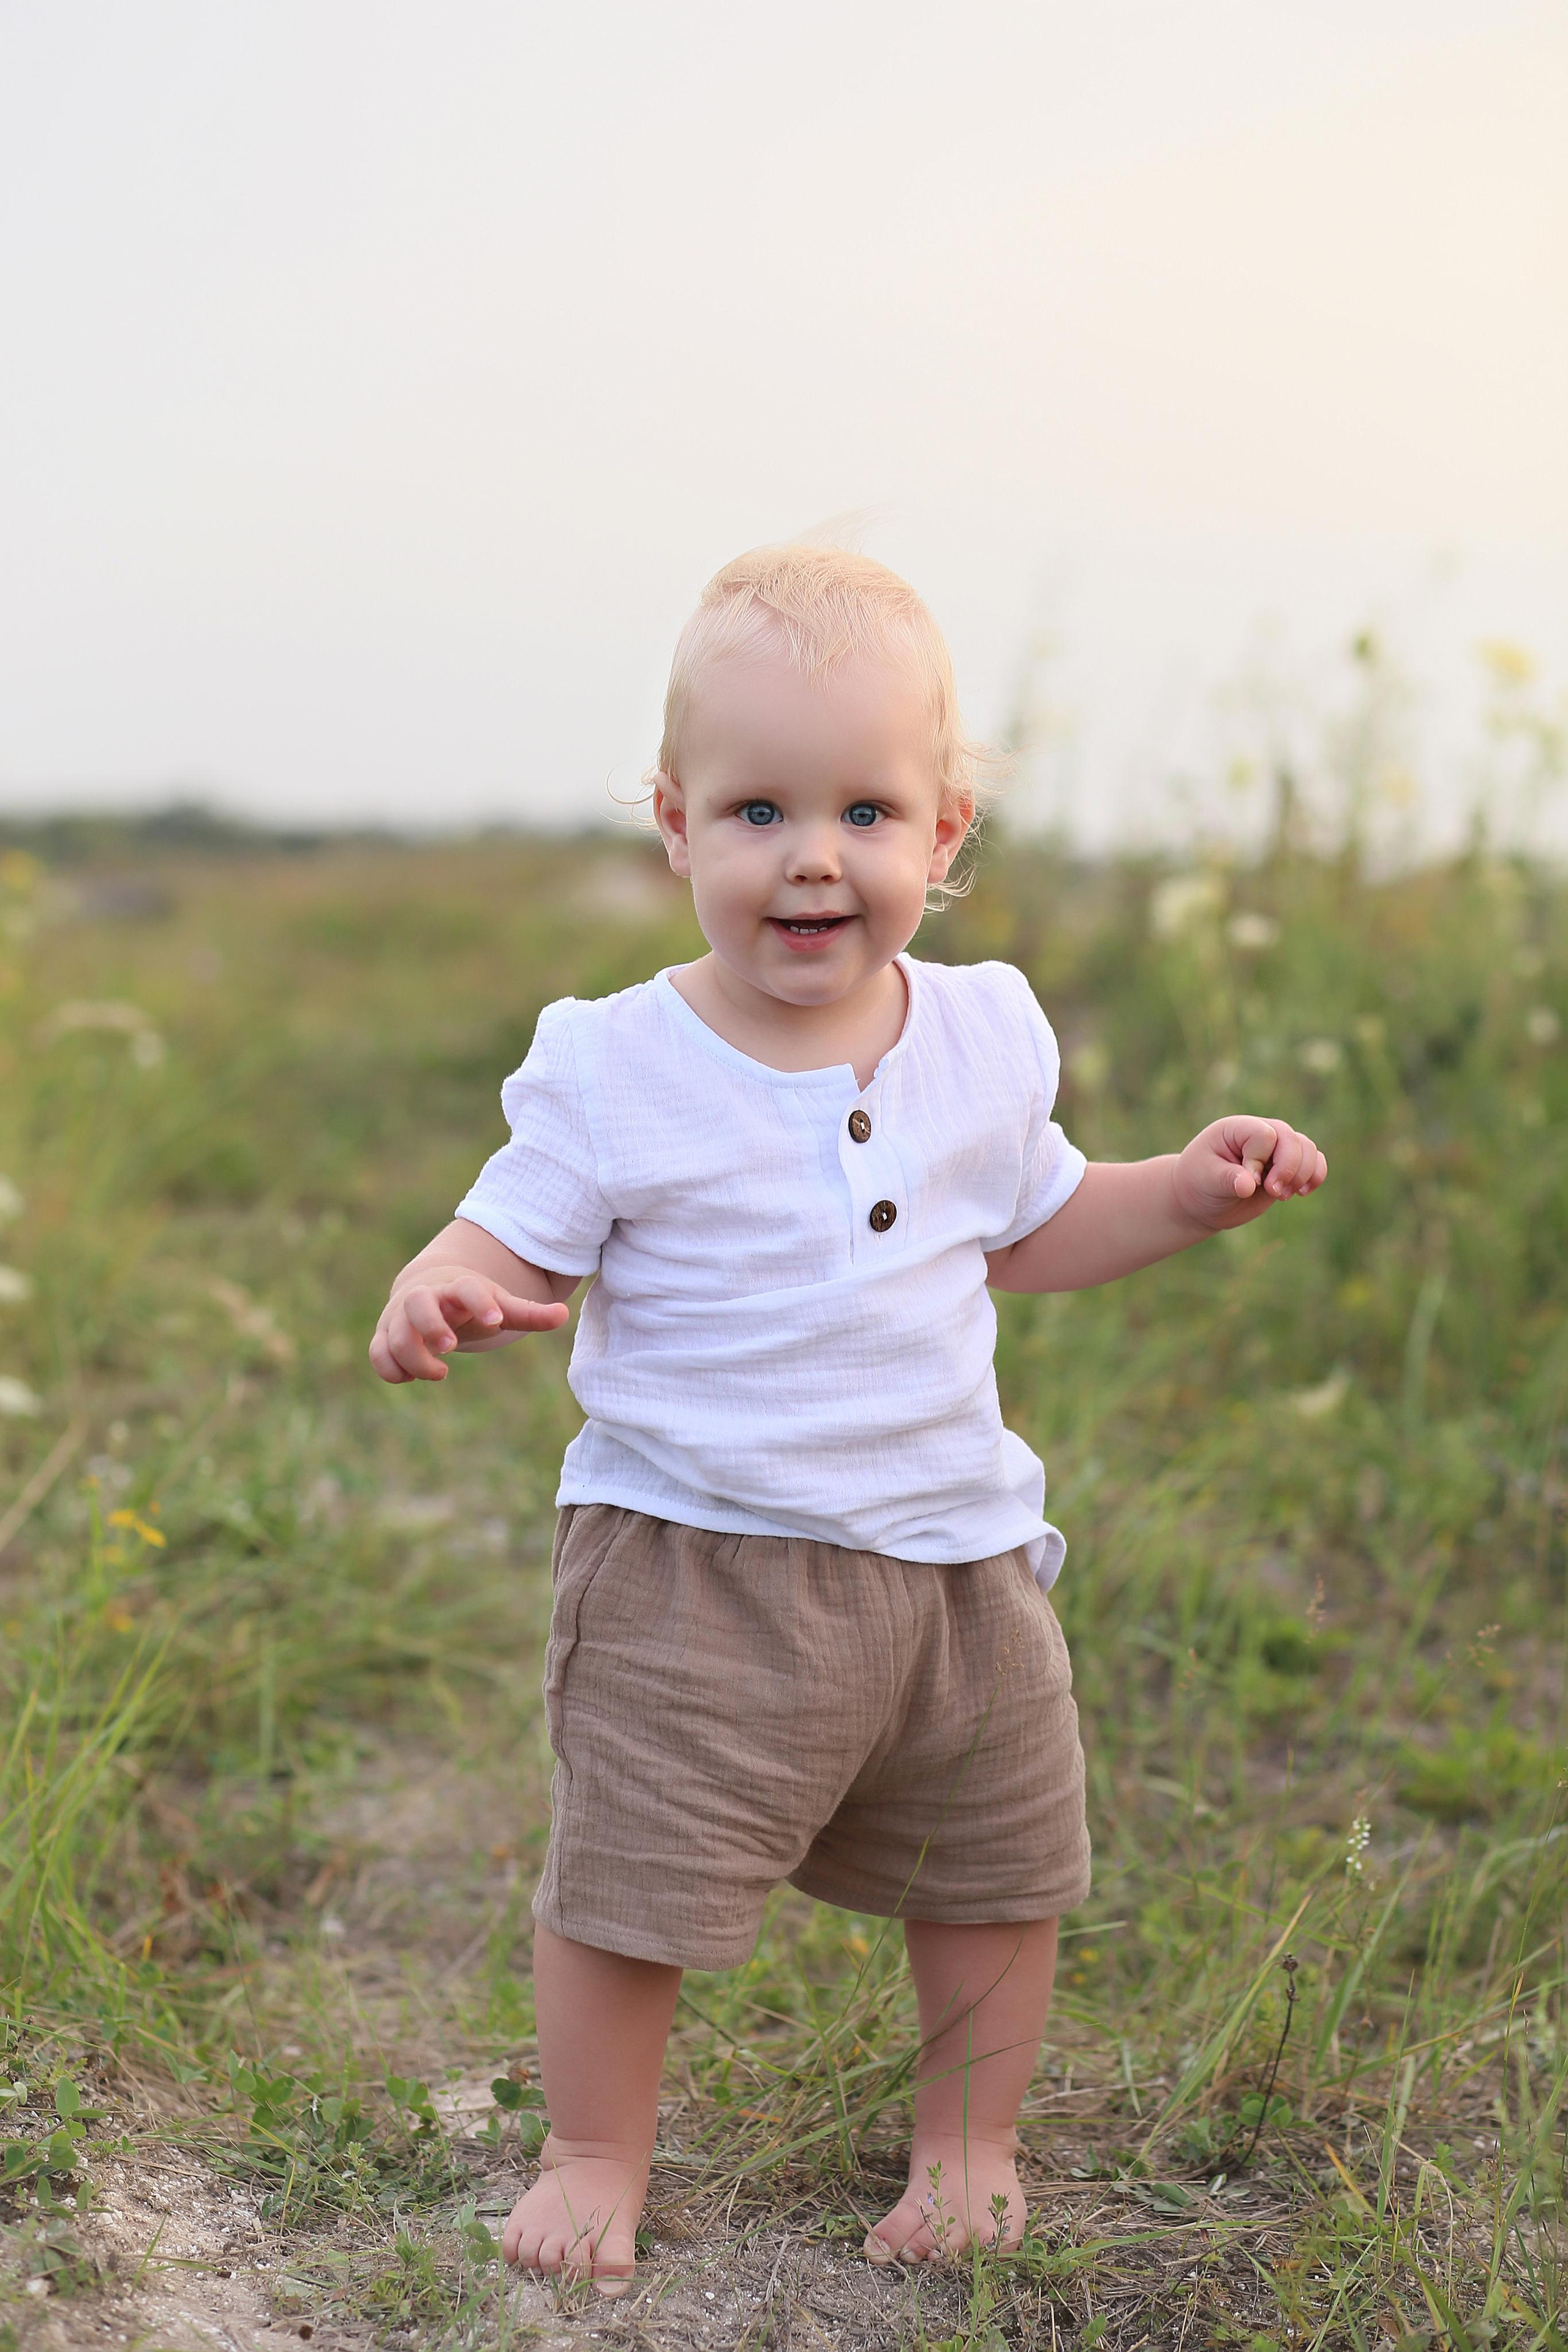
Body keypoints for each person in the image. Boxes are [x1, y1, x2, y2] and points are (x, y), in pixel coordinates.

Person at [369, 545, 1327, 2296]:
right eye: (758, 811)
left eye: (867, 811)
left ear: (944, 836)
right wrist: (447, 1280)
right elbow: (511, 1226)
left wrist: (1186, 1194)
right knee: (633, 1880)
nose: (814, 855)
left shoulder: (983, 1035)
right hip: (696, 1567)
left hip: (960, 1560)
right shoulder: (615, 1064)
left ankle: (969, 2145)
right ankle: (596, 2153)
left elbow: (1035, 1227)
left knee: (999, 1870)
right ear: (676, 829)